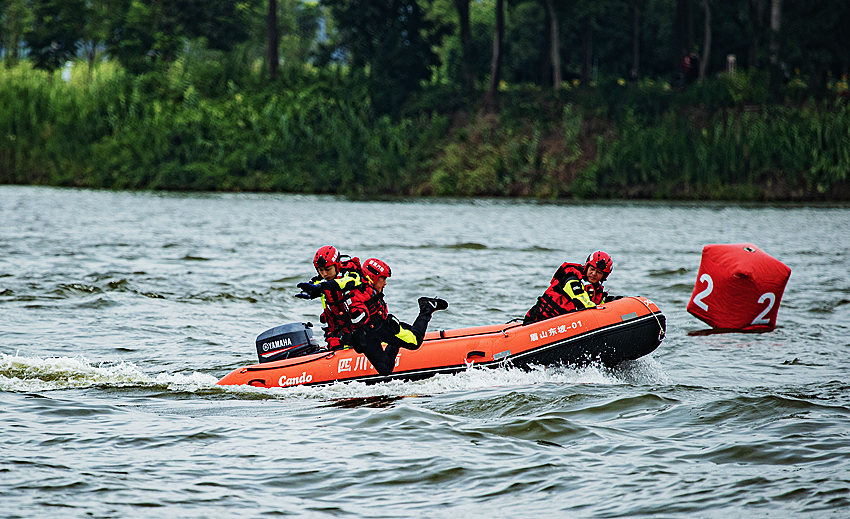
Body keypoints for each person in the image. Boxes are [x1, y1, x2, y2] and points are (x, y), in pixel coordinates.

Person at [343, 257, 448, 376]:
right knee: (385, 370)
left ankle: (426, 308)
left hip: (385, 326)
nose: (385, 283)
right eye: (383, 278)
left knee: (415, 342)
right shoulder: (358, 290)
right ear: (373, 277)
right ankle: (396, 340)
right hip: (371, 332)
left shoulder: (365, 290)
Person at [295, 245, 364, 351]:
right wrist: (311, 292)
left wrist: (320, 288)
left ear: (337, 265)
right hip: (339, 334)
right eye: (320, 270)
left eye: (328, 269)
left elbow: (344, 283)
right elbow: (317, 284)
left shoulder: (352, 274)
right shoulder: (320, 282)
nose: (324, 274)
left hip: (361, 332)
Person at [523, 251, 617, 325]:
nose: (594, 274)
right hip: (538, 320)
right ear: (587, 267)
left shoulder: (596, 290)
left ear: (604, 276)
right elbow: (580, 298)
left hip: (560, 324)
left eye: (599, 272)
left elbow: (601, 304)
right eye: (592, 269)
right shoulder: (571, 278)